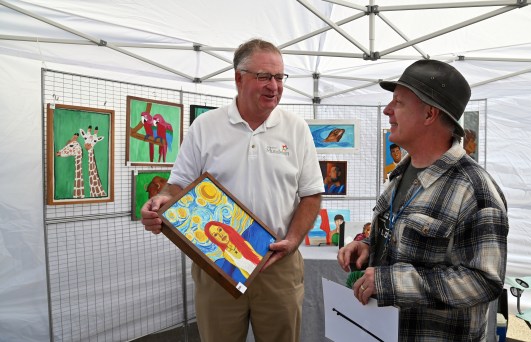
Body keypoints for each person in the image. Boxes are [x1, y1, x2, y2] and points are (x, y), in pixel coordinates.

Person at [140, 38, 324, 342]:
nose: (274, 86)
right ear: (238, 78)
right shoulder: (205, 126)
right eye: (264, 76)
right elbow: (178, 185)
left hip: (276, 263)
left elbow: (311, 194)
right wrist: (162, 200)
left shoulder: (296, 128)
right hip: (216, 266)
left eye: (279, 77)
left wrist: (292, 240)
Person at [337, 59, 509, 341]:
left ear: (429, 114)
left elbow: (483, 282)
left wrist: (393, 282)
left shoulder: (475, 190)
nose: (387, 111)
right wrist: (368, 246)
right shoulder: (399, 176)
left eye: (399, 103)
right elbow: (399, 238)